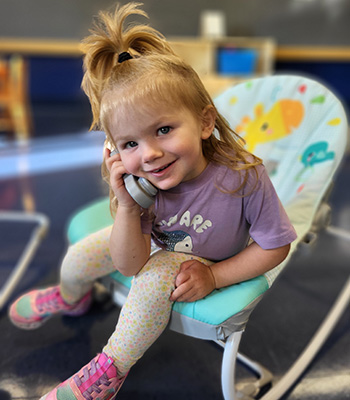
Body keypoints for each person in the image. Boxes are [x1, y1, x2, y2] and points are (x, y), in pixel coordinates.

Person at [9, 3, 297, 399]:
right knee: (78, 257)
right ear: (114, 149)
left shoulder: (243, 175)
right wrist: (127, 206)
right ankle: (72, 298)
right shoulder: (140, 183)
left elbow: (276, 244)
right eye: (130, 143)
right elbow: (129, 260)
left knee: (153, 279)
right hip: (151, 246)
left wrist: (215, 276)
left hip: (203, 260)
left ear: (205, 122)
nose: (149, 154)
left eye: (163, 129)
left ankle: (110, 371)